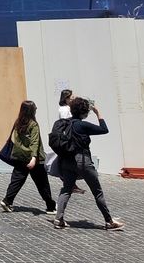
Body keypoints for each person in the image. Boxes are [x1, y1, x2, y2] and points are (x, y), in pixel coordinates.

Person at [54, 97, 124, 231]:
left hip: (67, 161)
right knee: (97, 192)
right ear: (83, 112)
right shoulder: (82, 125)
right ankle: (109, 221)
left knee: (66, 189)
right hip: (83, 161)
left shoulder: (65, 123)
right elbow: (104, 129)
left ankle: (58, 219)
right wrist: (98, 113)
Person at [0, 100, 56, 214]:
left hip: (19, 156)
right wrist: (34, 157)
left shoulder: (18, 122)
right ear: (32, 110)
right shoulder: (33, 124)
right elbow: (34, 142)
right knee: (42, 183)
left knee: (16, 180)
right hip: (33, 158)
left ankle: (7, 200)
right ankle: (50, 206)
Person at [57, 88, 85, 194]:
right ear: (66, 99)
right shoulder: (64, 110)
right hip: (68, 138)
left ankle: (71, 184)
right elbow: (67, 123)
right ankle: (70, 184)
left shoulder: (68, 108)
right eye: (72, 97)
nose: (73, 99)